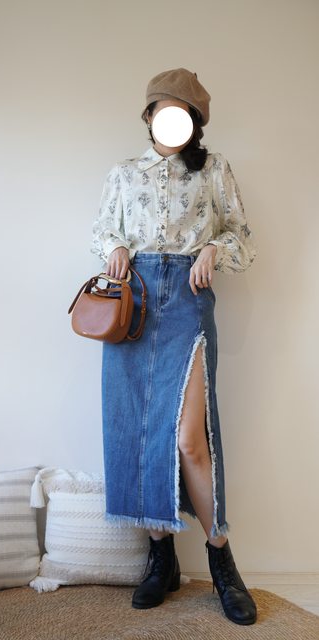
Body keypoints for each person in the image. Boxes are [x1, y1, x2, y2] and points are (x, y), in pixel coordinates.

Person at [90, 68, 258, 626]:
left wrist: (212, 249)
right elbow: (100, 230)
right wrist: (115, 246)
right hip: (133, 302)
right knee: (140, 433)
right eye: (164, 110)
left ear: (195, 122)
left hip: (188, 299)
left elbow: (241, 234)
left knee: (189, 438)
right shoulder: (123, 173)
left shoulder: (214, 169)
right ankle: (160, 558)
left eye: (183, 114)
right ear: (149, 115)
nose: (172, 120)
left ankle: (220, 556)